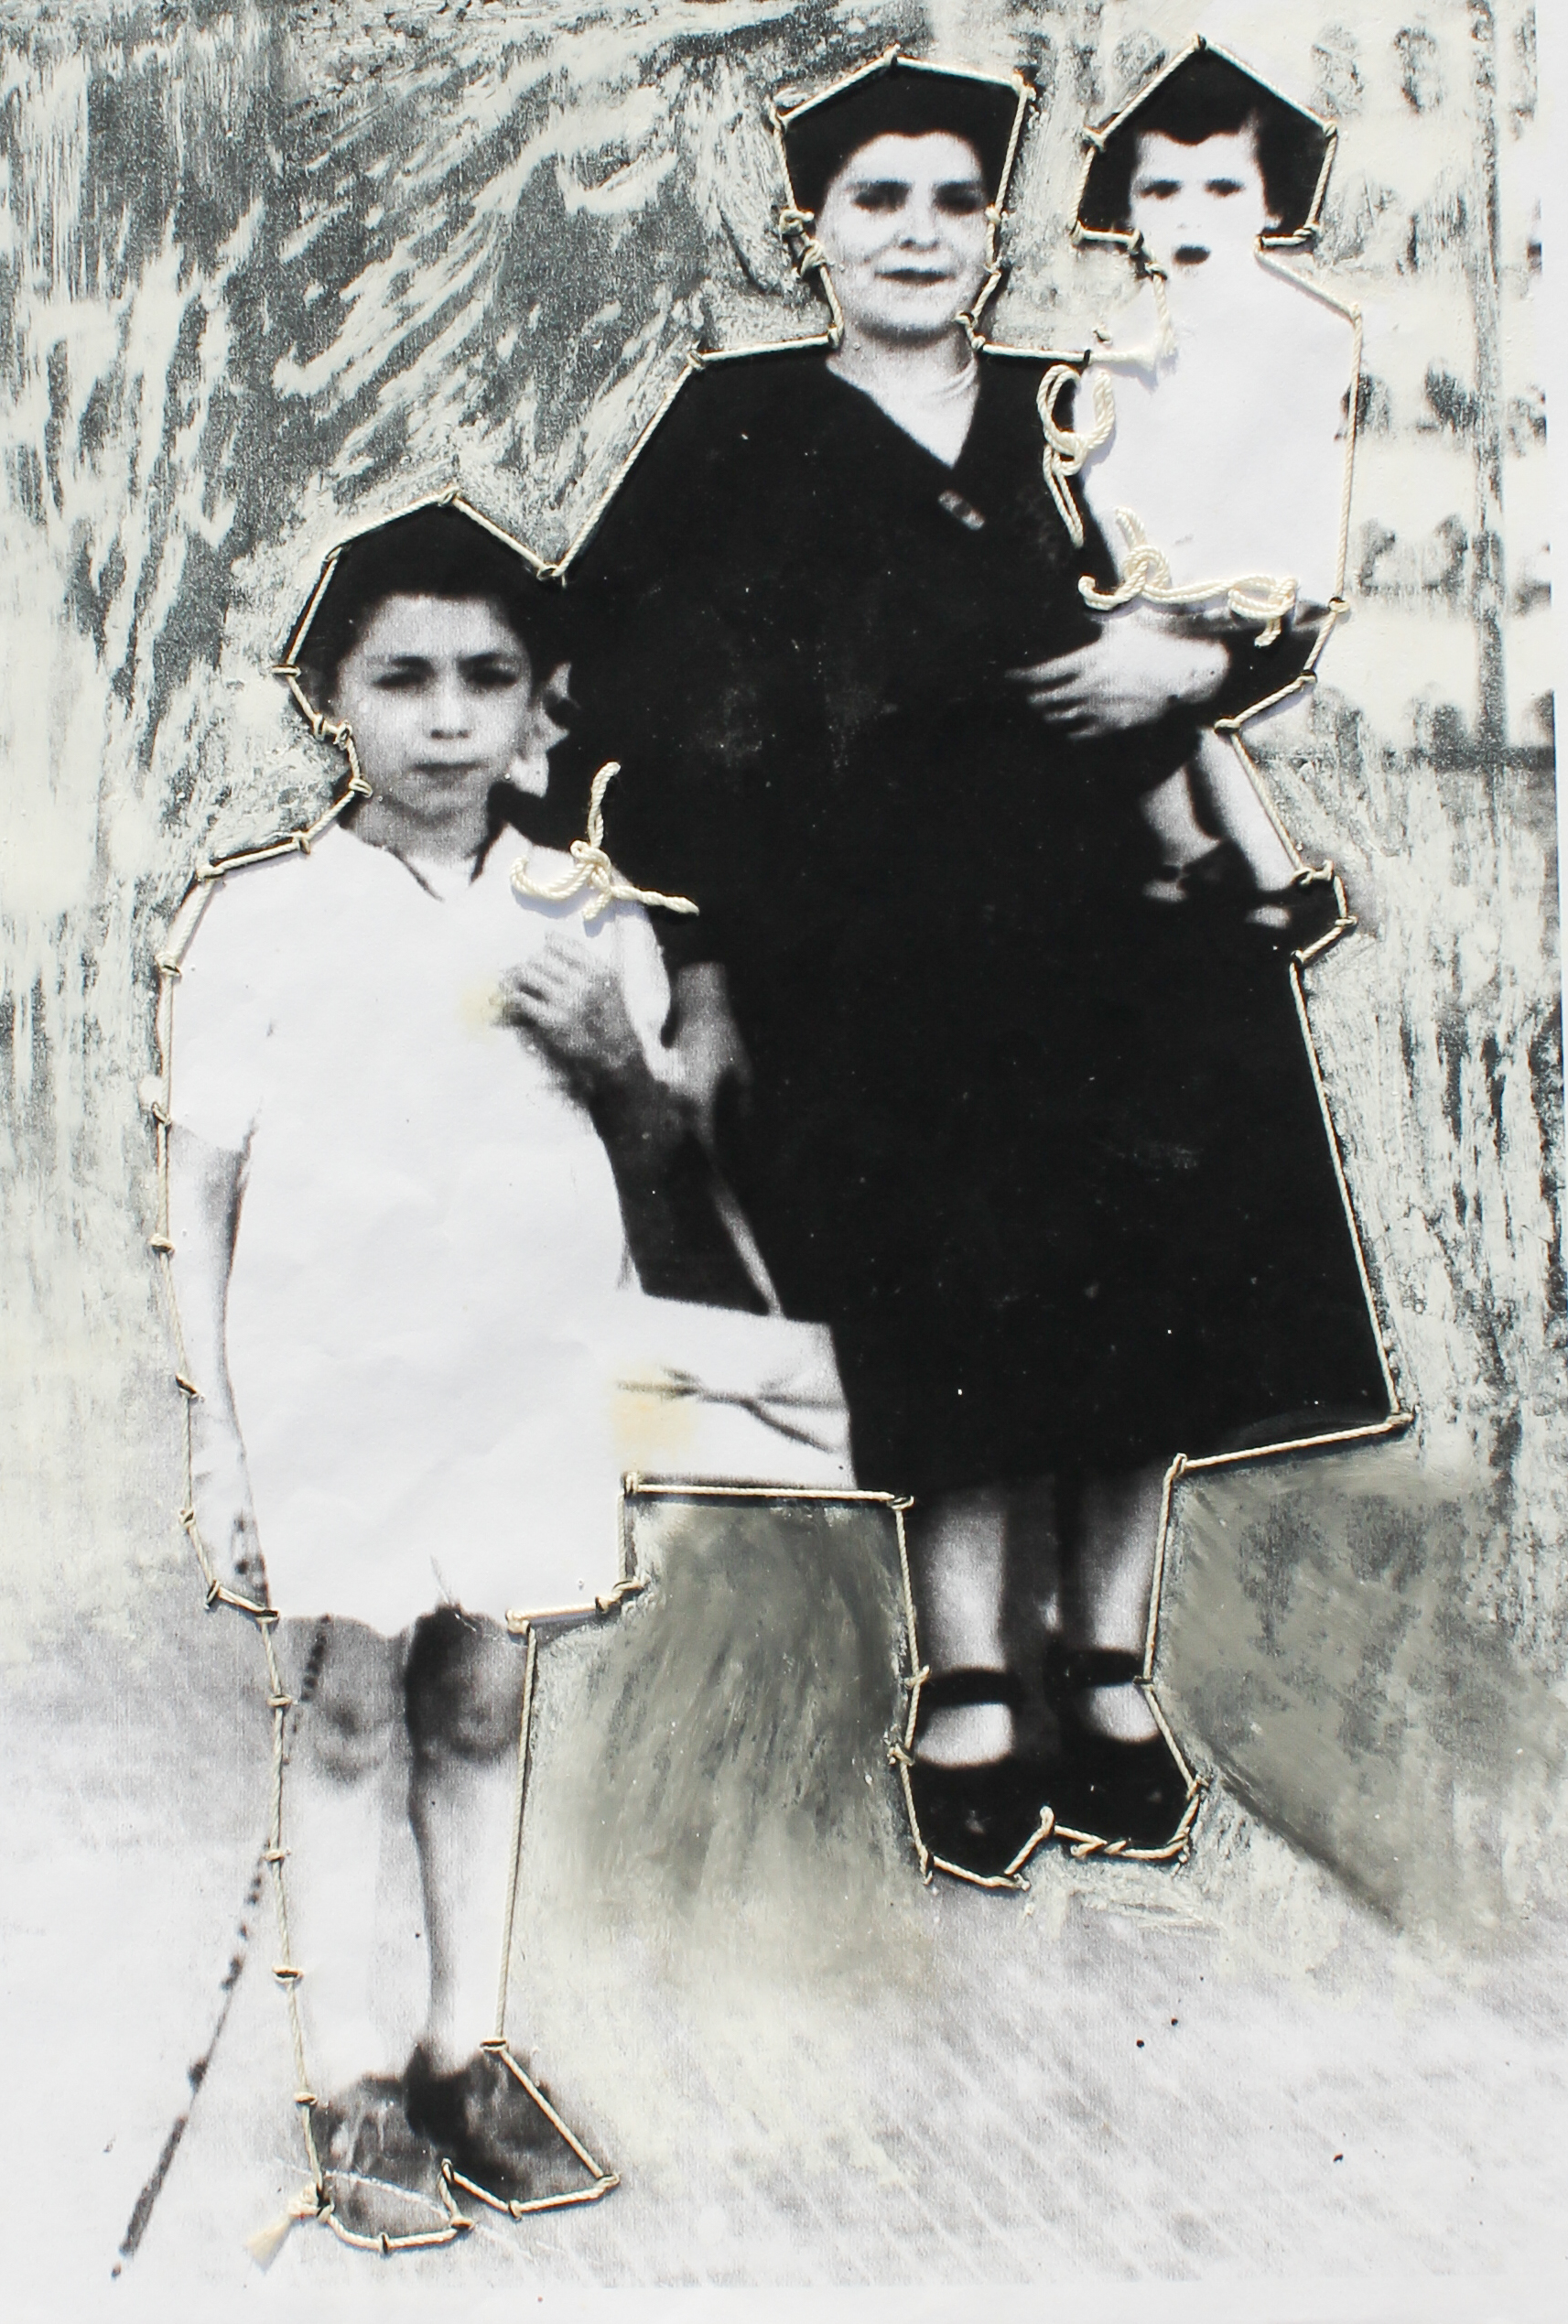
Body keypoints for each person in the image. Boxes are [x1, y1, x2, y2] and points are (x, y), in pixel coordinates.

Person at [560, 56, 1390, 1872]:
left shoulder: (1082, 398)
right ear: (813, 231)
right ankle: (969, 1683)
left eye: (955, 200)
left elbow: (1253, 554)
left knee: (1141, 1299)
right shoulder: (736, 424)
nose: (921, 233)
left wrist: (1204, 666)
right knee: (953, 1304)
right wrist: (694, 936)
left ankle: (1105, 1672)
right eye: (879, 199)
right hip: (876, 963)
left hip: (1129, 932)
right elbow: (607, 676)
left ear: (997, 232)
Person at [163, 504, 848, 2202]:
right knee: (344, 1712)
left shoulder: (592, 916)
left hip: (518, 1377)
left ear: (545, 702)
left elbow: (668, 1184)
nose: (447, 717)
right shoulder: (258, 918)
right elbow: (203, 1196)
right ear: (328, 695)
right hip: (337, 1380)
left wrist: (622, 1062)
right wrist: (223, 1439)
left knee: (480, 1703)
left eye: (488, 678)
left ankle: (464, 2051)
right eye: (402, 678)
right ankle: (350, 2080)